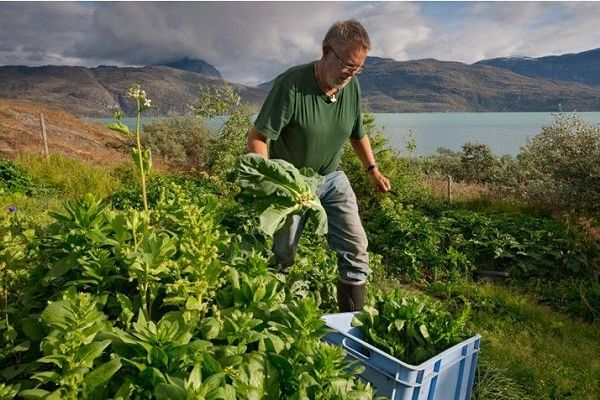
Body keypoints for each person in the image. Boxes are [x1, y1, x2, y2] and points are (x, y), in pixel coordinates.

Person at [246, 19, 391, 312]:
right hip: (293, 184)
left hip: (332, 178)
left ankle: (350, 323)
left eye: (359, 68)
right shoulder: (292, 85)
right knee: (281, 254)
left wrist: (373, 169)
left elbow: (357, 133)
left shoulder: (351, 88)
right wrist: (272, 179)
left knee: (356, 248)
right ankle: (269, 315)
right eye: (348, 65)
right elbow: (257, 138)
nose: (352, 74)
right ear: (327, 51)